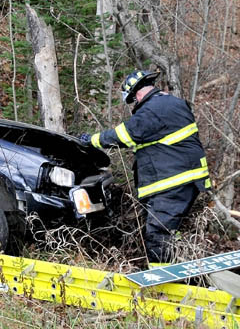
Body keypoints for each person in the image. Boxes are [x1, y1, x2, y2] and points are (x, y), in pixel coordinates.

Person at [80, 70, 211, 265]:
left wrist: (91, 140)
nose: (135, 104)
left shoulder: (151, 110)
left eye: (133, 100)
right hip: (187, 179)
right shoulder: (174, 104)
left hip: (172, 183)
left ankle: (164, 285)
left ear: (136, 94)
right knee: (170, 234)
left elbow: (124, 135)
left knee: (158, 234)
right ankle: (182, 272)